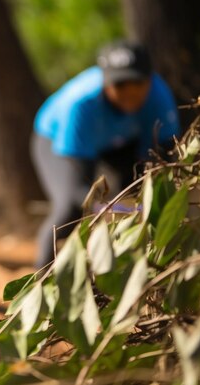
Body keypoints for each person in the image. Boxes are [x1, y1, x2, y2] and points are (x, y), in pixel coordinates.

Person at [31, 40, 180, 268]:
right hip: (56, 139)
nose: (129, 92)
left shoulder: (159, 96)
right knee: (71, 207)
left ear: (150, 80)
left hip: (121, 142)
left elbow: (162, 160)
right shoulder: (82, 104)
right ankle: (38, 279)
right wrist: (114, 209)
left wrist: (139, 206)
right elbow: (81, 189)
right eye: (120, 85)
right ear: (105, 82)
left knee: (149, 200)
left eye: (137, 83)